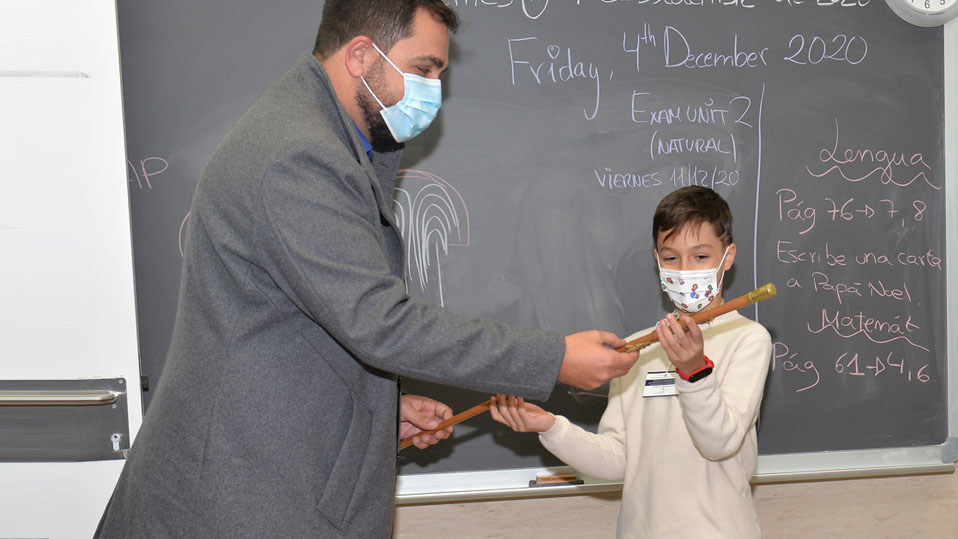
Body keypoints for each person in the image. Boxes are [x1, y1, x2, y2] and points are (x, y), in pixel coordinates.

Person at [93, 1, 639, 537]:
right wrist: (555, 358)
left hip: (260, 476)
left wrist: (371, 416)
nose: (434, 91)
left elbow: (298, 324)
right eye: (423, 69)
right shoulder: (299, 156)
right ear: (360, 55)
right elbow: (380, 322)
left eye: (439, 73)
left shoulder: (323, 136)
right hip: (238, 498)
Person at [491, 186, 773, 538]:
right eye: (671, 258)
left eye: (701, 256)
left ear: (727, 257)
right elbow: (618, 458)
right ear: (657, 261)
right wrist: (551, 427)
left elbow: (719, 443)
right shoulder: (639, 347)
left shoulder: (748, 339)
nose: (685, 270)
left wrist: (694, 371)